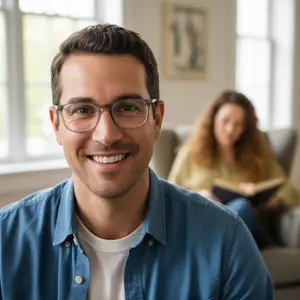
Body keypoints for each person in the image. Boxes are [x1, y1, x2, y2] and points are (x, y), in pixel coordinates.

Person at [0, 25, 274, 300]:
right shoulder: (5, 241)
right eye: (82, 110)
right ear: (57, 125)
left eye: (128, 107)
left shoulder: (226, 242)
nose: (106, 135)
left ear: (157, 118)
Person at [168, 90, 300, 239]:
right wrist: (199, 196)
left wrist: (274, 200)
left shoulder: (257, 156)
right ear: (213, 119)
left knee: (241, 207)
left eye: (238, 124)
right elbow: (168, 195)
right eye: (225, 121)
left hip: (244, 227)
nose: (231, 129)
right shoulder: (191, 153)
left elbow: (289, 190)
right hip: (201, 220)